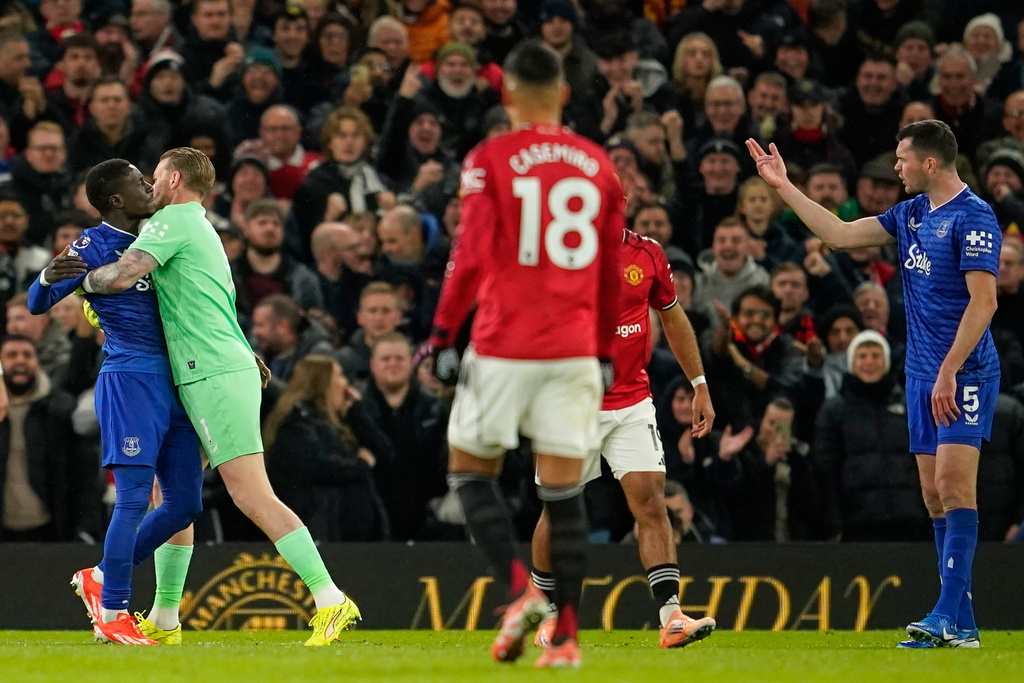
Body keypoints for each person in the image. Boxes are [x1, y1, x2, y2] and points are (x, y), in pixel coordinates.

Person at [71, 148, 360, 646]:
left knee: (250, 494)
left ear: (175, 179)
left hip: (212, 374)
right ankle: (164, 619)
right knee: (175, 499)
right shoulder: (197, 226)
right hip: (208, 369)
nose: (150, 186)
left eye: (155, 177)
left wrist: (76, 279)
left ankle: (330, 597)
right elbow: (214, 301)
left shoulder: (172, 221)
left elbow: (119, 277)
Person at [748, 119, 999, 649]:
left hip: (965, 371)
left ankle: (945, 617)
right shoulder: (910, 215)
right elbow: (838, 235)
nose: (896, 168)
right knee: (934, 497)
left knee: (955, 488)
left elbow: (984, 302)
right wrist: (782, 187)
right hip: (921, 374)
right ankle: (964, 624)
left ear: (931, 163)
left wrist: (952, 368)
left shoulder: (975, 218)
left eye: (903, 158)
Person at [427, 40, 623, 668]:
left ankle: (519, 593)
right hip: (574, 349)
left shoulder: (491, 158)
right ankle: (565, 640)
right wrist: (602, 350)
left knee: (469, 471)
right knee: (564, 495)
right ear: (564, 93)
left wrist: (440, 335)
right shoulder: (599, 165)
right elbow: (609, 266)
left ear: (506, 92)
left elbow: (472, 254)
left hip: (505, 342)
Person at [27, 159, 202, 646]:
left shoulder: (164, 233)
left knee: (185, 503)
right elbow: (36, 305)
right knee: (131, 497)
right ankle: (114, 611)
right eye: (139, 181)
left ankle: (102, 575)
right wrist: (44, 280)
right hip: (131, 377)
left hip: (181, 378)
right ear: (117, 199)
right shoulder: (94, 244)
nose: (150, 184)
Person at [531, 225, 717, 649]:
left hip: (632, 400)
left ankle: (671, 618)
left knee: (651, 500)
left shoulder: (648, 254)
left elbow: (672, 317)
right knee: (558, 509)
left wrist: (700, 383)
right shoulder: (555, 253)